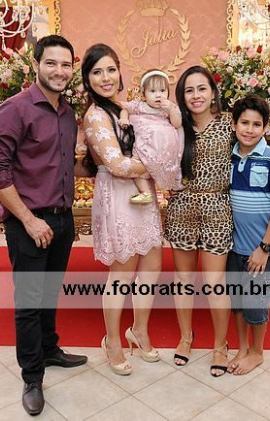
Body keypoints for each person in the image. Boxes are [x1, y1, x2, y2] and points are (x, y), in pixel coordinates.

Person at [0, 35, 87, 416]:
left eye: (66, 65)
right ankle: (32, 377)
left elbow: (64, 164)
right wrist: (28, 219)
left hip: (62, 219)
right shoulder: (15, 109)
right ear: (36, 65)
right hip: (29, 223)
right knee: (29, 303)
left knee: (49, 293)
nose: (59, 71)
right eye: (51, 63)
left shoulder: (67, 113)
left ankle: (49, 349)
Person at [81, 43, 163, 375]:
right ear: (87, 79)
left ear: (119, 71)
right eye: (97, 72)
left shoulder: (124, 107)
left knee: (152, 268)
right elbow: (116, 164)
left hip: (144, 194)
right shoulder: (95, 115)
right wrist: (158, 165)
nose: (106, 77)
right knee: (121, 275)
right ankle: (112, 341)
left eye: (111, 69)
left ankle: (139, 331)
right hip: (118, 195)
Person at [164, 65, 233, 377]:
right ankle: (186, 337)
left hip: (218, 207)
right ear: (181, 95)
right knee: (183, 278)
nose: (196, 95)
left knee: (214, 281)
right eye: (189, 90)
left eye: (201, 88)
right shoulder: (175, 127)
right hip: (182, 207)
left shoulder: (229, 123)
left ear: (213, 92)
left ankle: (221, 344)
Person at [226, 95, 270, 375]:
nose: (249, 130)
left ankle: (257, 352)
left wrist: (264, 248)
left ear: (265, 128)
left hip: (261, 250)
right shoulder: (228, 157)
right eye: (244, 123)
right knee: (238, 302)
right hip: (234, 248)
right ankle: (242, 347)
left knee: (256, 303)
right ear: (234, 124)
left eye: (256, 124)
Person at [118, 68, 183, 204]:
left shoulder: (168, 107)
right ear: (143, 94)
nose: (158, 95)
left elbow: (177, 124)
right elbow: (124, 108)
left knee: (167, 167)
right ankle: (145, 192)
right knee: (135, 165)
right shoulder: (139, 106)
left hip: (162, 147)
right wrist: (124, 118)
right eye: (152, 91)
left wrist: (171, 110)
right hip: (145, 144)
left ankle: (170, 188)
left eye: (162, 90)